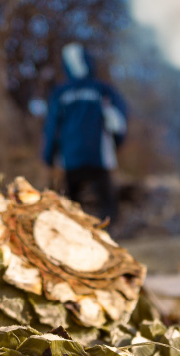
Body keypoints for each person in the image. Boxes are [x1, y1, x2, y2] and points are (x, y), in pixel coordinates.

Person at [42, 43, 127, 224]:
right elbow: (119, 121)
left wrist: (48, 156)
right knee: (107, 205)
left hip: (71, 158)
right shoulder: (101, 89)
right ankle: (109, 235)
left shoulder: (61, 93)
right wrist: (117, 144)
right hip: (99, 158)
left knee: (73, 206)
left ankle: (77, 237)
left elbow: (51, 128)